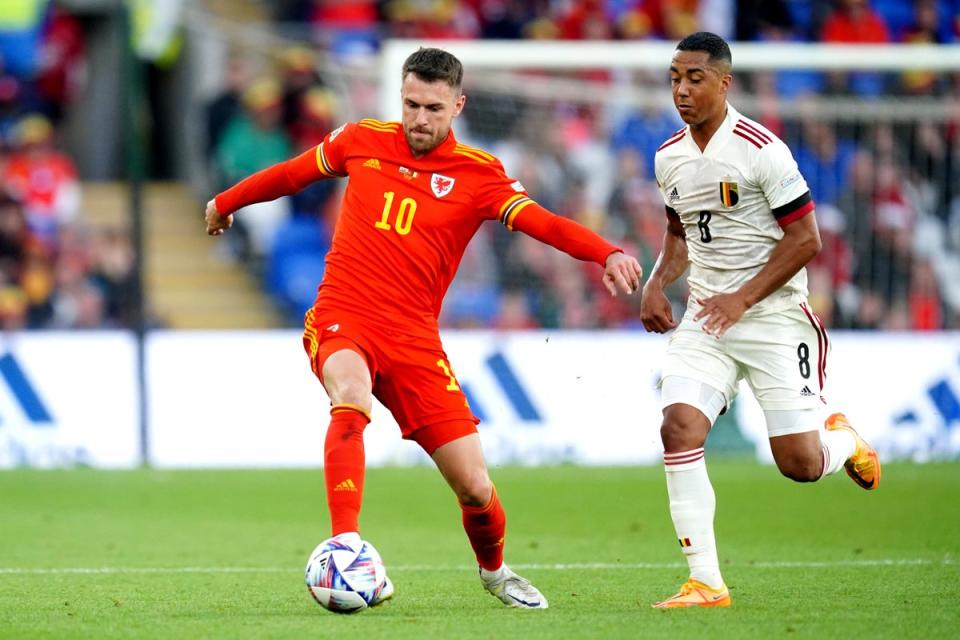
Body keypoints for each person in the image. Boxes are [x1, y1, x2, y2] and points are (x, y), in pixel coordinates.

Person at [205, 47, 642, 609]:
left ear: (457, 105)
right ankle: (345, 543)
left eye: (433, 108)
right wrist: (225, 201)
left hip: (415, 340)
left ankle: (496, 572)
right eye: (411, 104)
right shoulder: (360, 139)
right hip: (345, 313)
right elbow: (292, 174)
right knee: (351, 397)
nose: (418, 118)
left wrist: (605, 251)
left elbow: (544, 223)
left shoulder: (479, 175)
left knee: (476, 487)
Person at [640, 32, 881, 609]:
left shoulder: (762, 150)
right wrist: (655, 283)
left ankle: (843, 440)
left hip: (772, 317)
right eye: (675, 77)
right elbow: (680, 236)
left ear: (724, 82)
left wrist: (742, 299)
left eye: (695, 77)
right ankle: (706, 582)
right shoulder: (668, 156)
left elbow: (806, 240)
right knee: (678, 428)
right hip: (706, 318)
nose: (682, 89)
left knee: (798, 465)